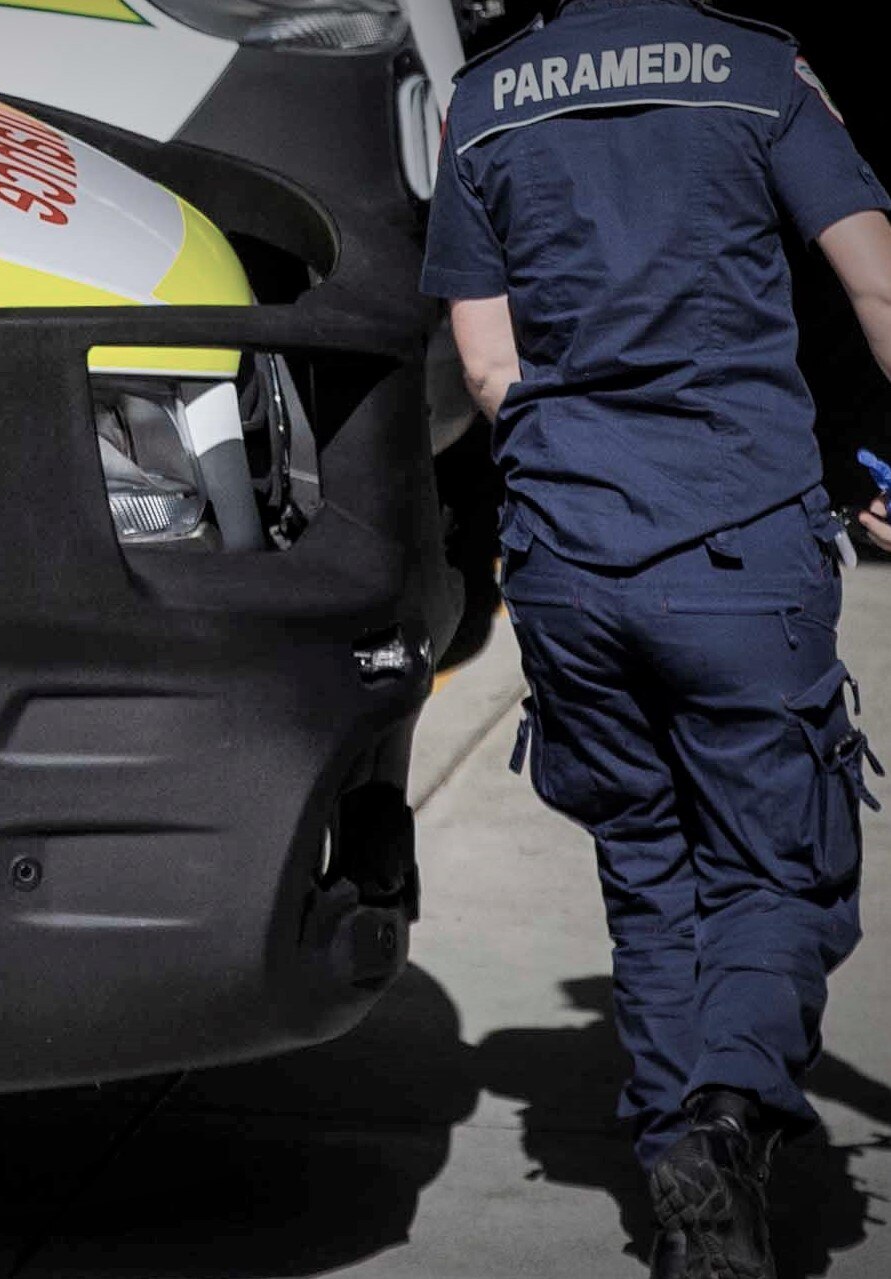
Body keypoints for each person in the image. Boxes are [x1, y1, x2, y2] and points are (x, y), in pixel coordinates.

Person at [422, 2, 891, 1276]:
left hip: (571, 561)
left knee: (649, 872)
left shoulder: (487, 100)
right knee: (777, 869)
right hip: (738, 545)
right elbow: (874, 282)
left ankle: (697, 1222)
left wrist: (586, 473)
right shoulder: (758, 69)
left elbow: (485, 366)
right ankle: (729, 1114)